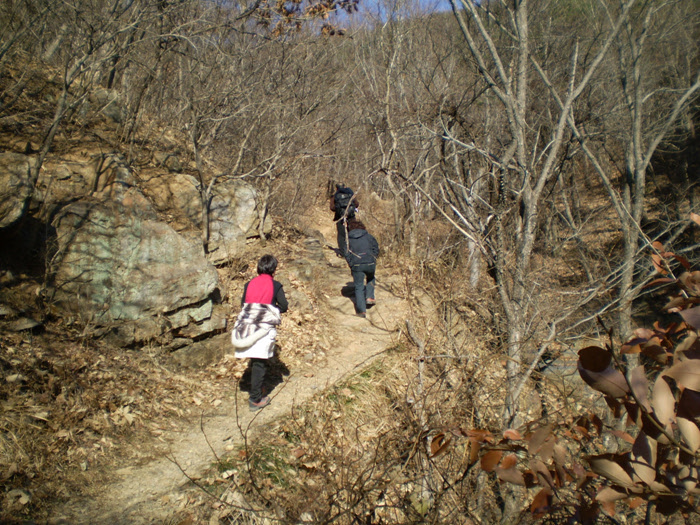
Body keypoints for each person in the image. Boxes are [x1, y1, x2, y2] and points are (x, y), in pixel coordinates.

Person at [231, 255, 288, 411]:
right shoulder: (275, 285)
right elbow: (284, 305)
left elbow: (244, 304)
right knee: (259, 363)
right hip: (263, 328)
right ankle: (255, 399)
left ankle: (256, 389)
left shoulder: (248, 284)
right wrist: (271, 310)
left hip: (247, 326)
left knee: (255, 361)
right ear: (274, 269)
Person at [345, 219, 379, 318]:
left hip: (356, 264)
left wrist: (351, 264)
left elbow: (346, 253)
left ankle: (361, 311)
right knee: (371, 278)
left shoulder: (348, 240)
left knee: (359, 286)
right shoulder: (369, 237)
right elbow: (376, 248)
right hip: (370, 262)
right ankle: (370, 297)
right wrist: (373, 258)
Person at [330, 183, 359, 257]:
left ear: (336, 188)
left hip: (340, 217)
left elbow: (332, 207)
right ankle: (353, 251)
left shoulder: (335, 196)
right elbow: (356, 204)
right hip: (351, 217)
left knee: (341, 235)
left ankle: (343, 253)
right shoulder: (350, 193)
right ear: (344, 186)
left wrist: (339, 209)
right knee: (352, 233)